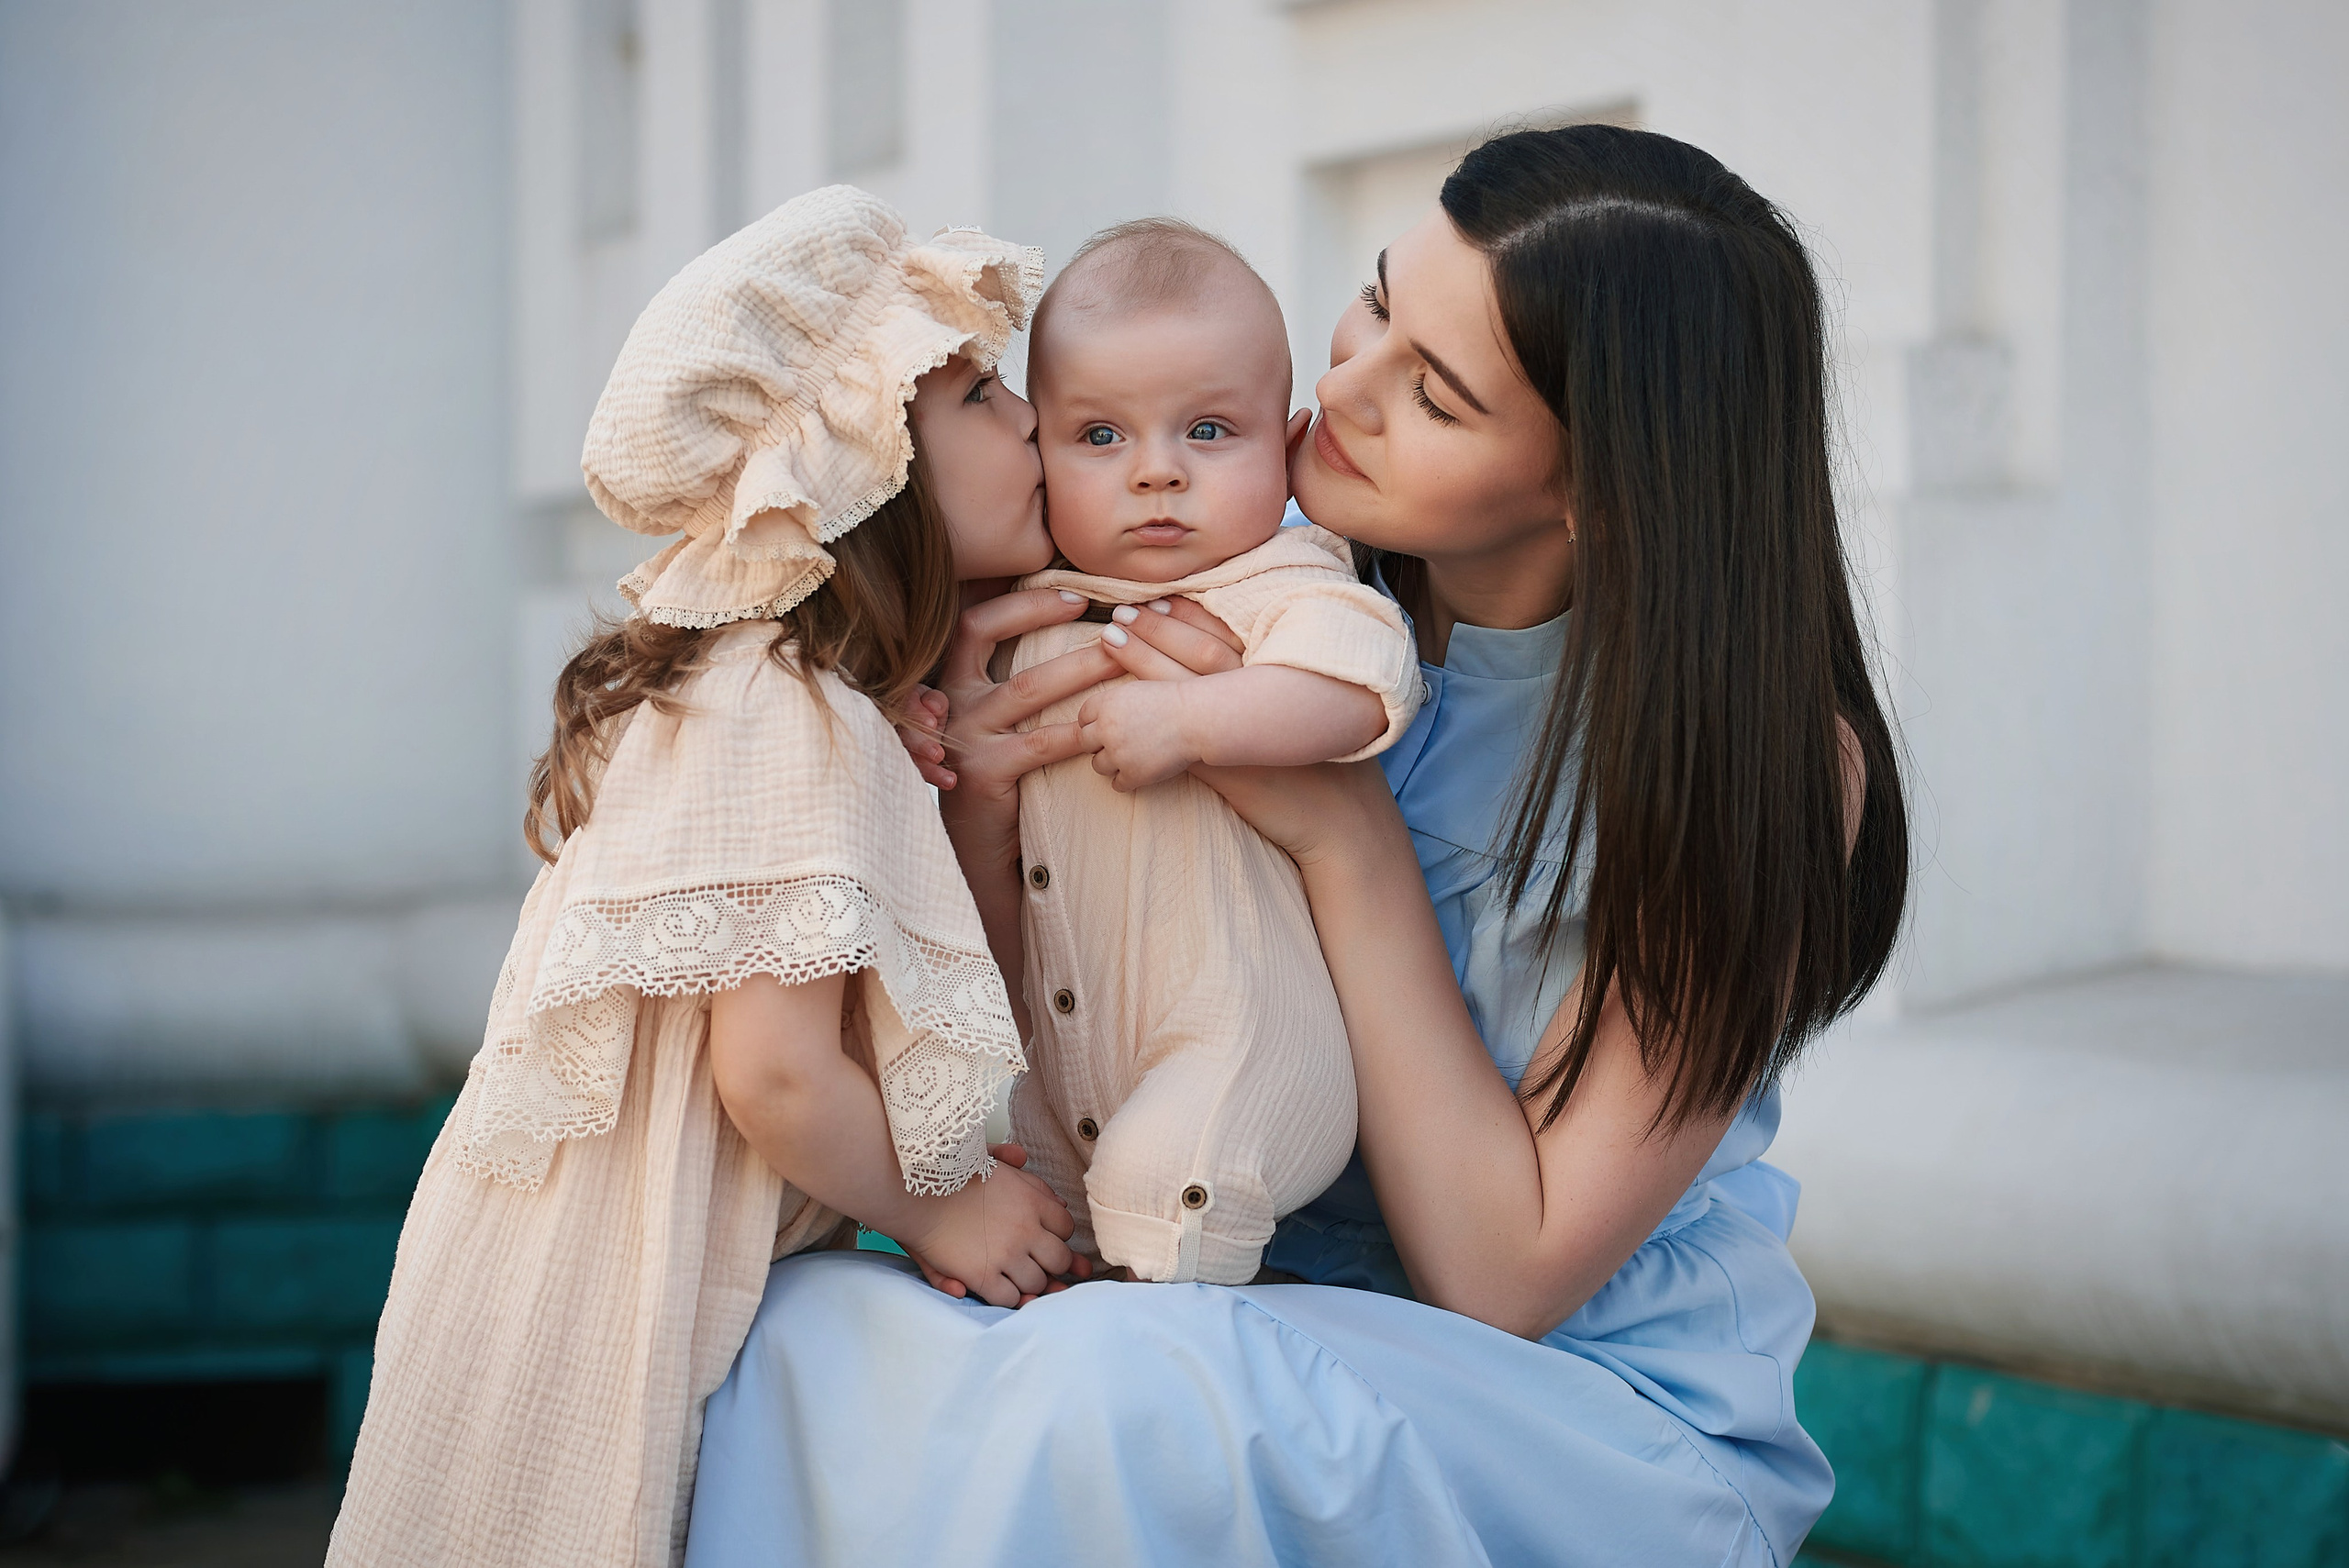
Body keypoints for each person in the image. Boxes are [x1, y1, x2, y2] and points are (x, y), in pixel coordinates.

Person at [685, 125, 1909, 1568]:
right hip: (1226, 1301)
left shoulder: (1755, 754)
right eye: (1382, 303)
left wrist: (1344, 834)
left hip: (1578, 1417)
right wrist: (987, 800)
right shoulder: (1269, 589)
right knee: (810, 1334)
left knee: (1124, 1386)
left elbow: (1501, 1273)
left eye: (1435, 395)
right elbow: (1056, 1043)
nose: (1341, 389)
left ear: (1600, 485)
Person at [328, 186, 1096, 1568]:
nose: (1034, 414)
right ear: (865, 473)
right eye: (980, 392)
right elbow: (778, 1073)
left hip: (597, 1263)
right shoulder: (779, 705)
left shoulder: (801, 696)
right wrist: (945, 1208)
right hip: (591, 1297)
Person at [990, 217, 1422, 1284]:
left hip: (1242, 1048)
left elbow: (1358, 684)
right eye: (1100, 437)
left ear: (1282, 445)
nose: (1155, 475)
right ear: (1037, 448)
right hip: (1060, 1062)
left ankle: (1166, 1309)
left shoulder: (1280, 579)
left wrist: (1194, 721)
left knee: (1166, 1175)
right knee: (1022, 1202)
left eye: (1208, 432)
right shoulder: (1021, 607)